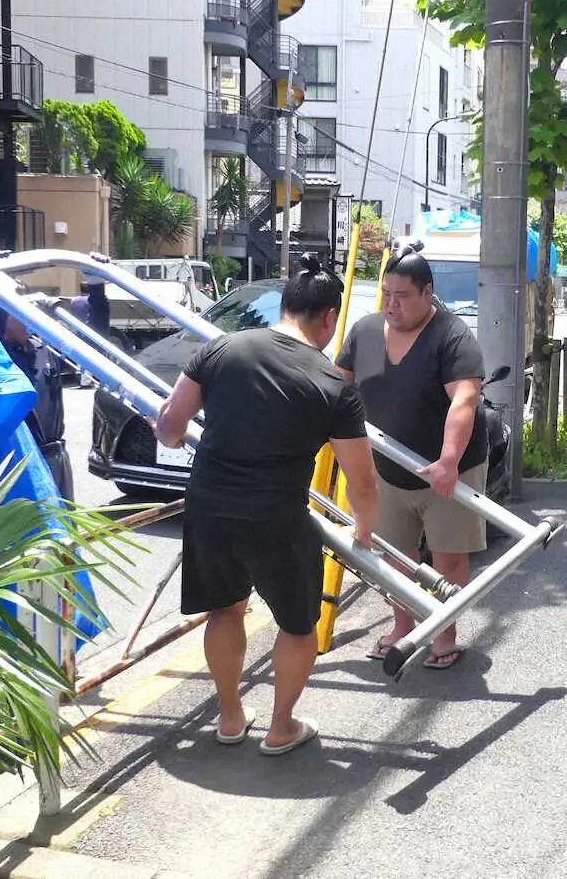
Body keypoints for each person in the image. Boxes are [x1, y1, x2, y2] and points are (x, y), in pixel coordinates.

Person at [155, 253, 378, 755]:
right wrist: (363, 532)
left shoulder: (220, 350)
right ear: (328, 319)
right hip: (278, 514)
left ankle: (230, 717)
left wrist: (168, 427)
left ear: (284, 304)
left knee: (224, 610)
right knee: (298, 625)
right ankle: (281, 726)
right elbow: (361, 480)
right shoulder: (332, 385)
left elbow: (171, 429)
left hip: (210, 502)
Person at [336, 243, 489, 670]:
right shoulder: (364, 331)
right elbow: (337, 387)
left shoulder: (452, 335)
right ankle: (403, 626)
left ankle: (443, 632)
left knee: (448, 555)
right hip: (386, 464)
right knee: (393, 554)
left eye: (401, 296)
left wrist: (448, 458)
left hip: (446, 467)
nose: (391, 304)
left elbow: (465, 399)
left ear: (427, 293)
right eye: (386, 294)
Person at [0, 304, 73, 501]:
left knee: (66, 528)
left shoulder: (44, 350)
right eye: (20, 311)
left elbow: (91, 347)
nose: (29, 317)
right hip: (25, 461)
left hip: (57, 457)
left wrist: (96, 290)